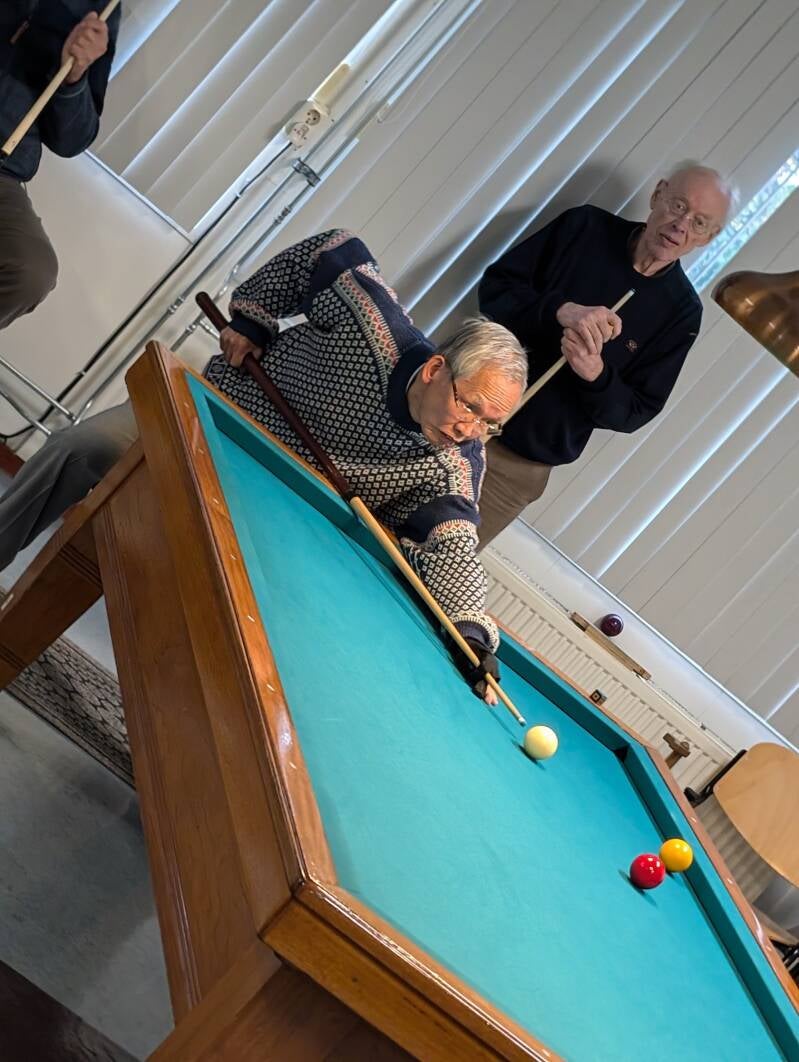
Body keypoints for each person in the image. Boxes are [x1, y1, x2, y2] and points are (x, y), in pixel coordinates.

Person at [0, 230, 527, 699]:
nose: (470, 429)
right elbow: (331, 248)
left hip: (274, 505)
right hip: (209, 415)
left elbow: (452, 544)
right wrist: (253, 318)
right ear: (435, 370)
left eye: (490, 424)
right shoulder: (372, 325)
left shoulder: (456, 462)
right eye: (470, 406)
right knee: (82, 447)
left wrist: (471, 636)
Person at [476, 163, 734, 545]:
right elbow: (495, 289)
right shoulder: (584, 227)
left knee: (429, 573)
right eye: (679, 205)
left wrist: (595, 374)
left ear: (708, 238)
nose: (681, 225)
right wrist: (560, 311)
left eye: (699, 222)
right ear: (658, 194)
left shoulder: (682, 314)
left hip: (516, 468)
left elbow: (635, 411)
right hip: (453, 410)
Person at [0, 1, 121, 331]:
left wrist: (74, 76)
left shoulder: (102, 8)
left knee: (31, 271)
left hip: (5, 167)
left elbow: (71, 140)